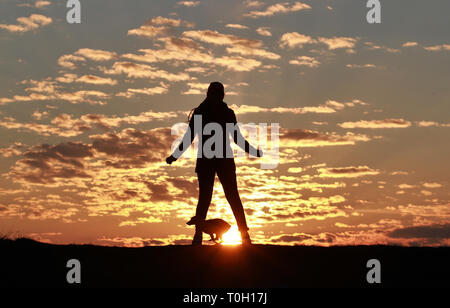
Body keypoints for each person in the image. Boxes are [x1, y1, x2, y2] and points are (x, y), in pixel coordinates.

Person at [166, 82, 262, 245]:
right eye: (216, 93)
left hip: (218, 160)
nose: (218, 96)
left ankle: (242, 234)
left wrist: (252, 150)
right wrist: (175, 156)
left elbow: (236, 137)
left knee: (227, 197)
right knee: (210, 198)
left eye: (219, 94)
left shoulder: (217, 113)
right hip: (210, 161)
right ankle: (200, 235)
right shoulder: (204, 113)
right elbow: (189, 138)